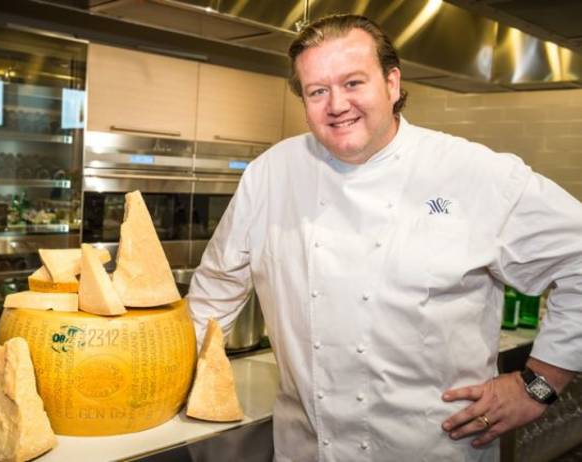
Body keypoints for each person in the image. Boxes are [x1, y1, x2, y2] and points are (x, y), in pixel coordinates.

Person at [187, 13, 581, 462]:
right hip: (305, 451)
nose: (337, 104)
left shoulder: (473, 172)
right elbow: (213, 296)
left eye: (353, 82)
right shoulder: (270, 175)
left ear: (392, 84)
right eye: (317, 91)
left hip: (434, 451)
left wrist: (538, 384)